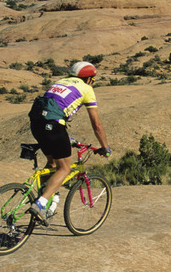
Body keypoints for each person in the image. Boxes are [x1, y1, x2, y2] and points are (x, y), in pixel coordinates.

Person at [28, 61, 111, 223]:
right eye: (93, 79)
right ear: (88, 79)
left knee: (52, 164)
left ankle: (44, 196)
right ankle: (40, 204)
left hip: (36, 124)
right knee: (65, 168)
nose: (92, 82)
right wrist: (104, 147)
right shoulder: (87, 89)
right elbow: (97, 125)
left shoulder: (60, 82)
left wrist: (67, 138)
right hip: (53, 125)